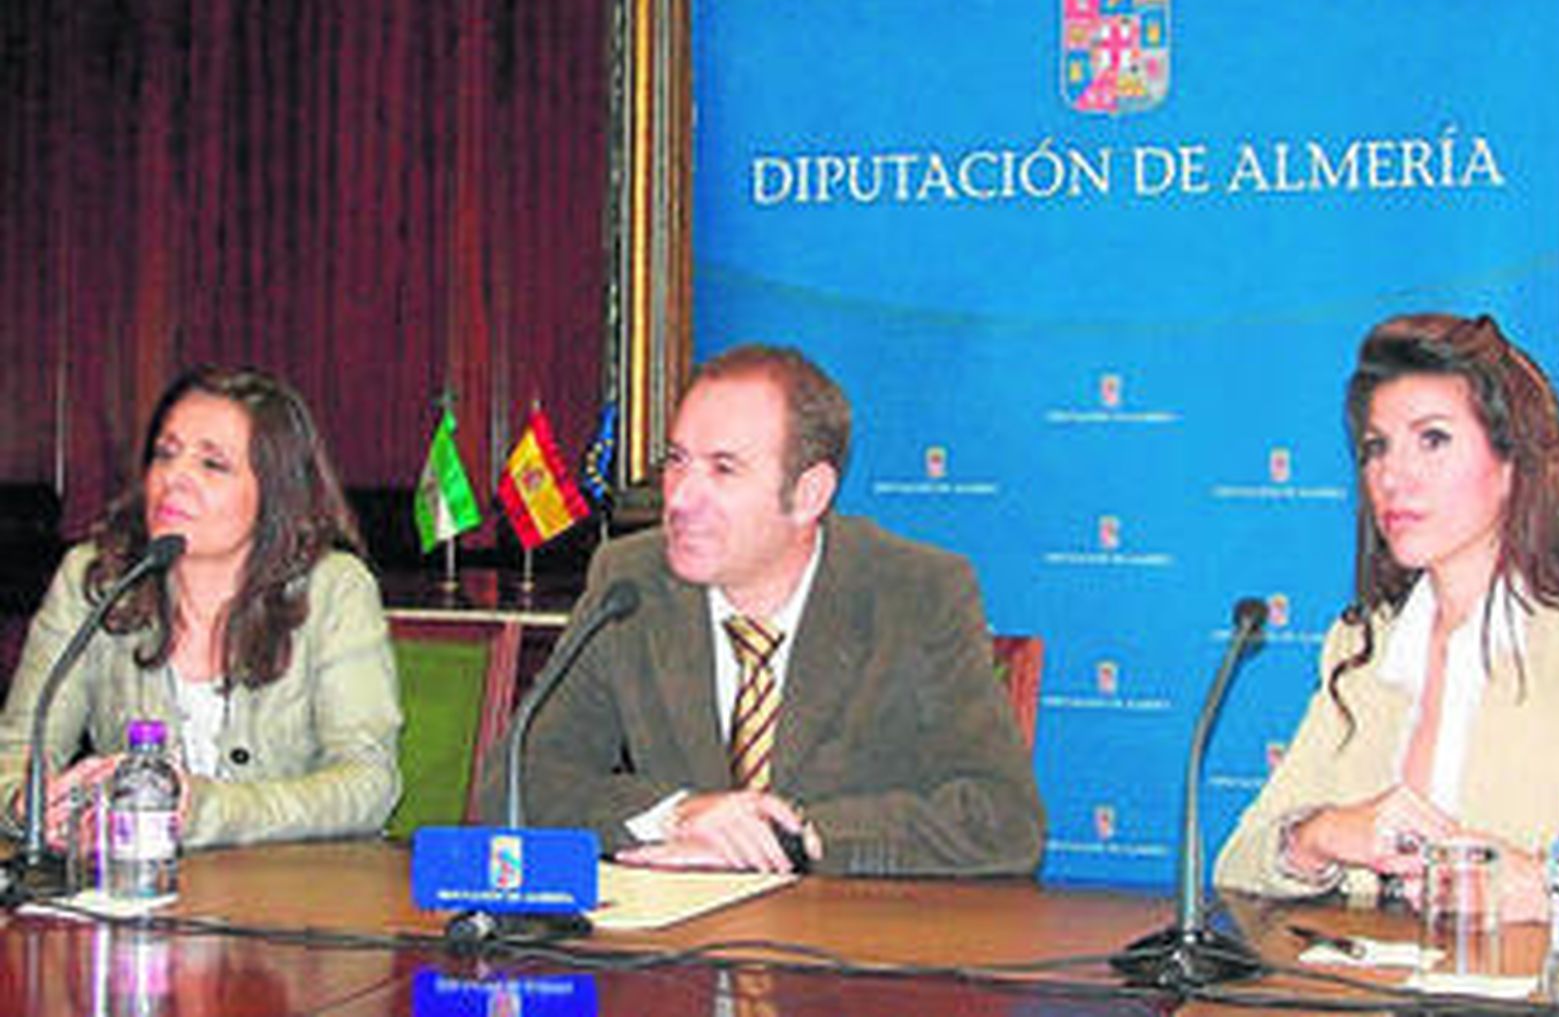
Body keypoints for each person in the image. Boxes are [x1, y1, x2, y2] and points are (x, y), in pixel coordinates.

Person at [501, 344, 1045, 876]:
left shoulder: (915, 593)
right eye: (676, 461)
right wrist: (679, 814)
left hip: (849, 948)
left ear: (809, 494)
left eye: (723, 469)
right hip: (678, 953)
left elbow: (1003, 820)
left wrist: (794, 838)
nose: (680, 499)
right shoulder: (632, 583)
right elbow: (514, 783)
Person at [1214, 313, 1559, 921]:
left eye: (1433, 439)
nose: (1392, 476)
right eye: (1376, 448)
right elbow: (1237, 864)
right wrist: (1322, 835)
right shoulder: (1362, 646)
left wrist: (1546, 889)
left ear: (1512, 465)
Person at [0, 366, 401, 848]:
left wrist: (204, 810)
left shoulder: (334, 589)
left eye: (212, 465)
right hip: (133, 897)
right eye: (166, 455)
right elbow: (18, 749)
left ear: (274, 492)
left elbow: (368, 784)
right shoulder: (96, 579)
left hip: (291, 900)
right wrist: (28, 806)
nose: (174, 479)